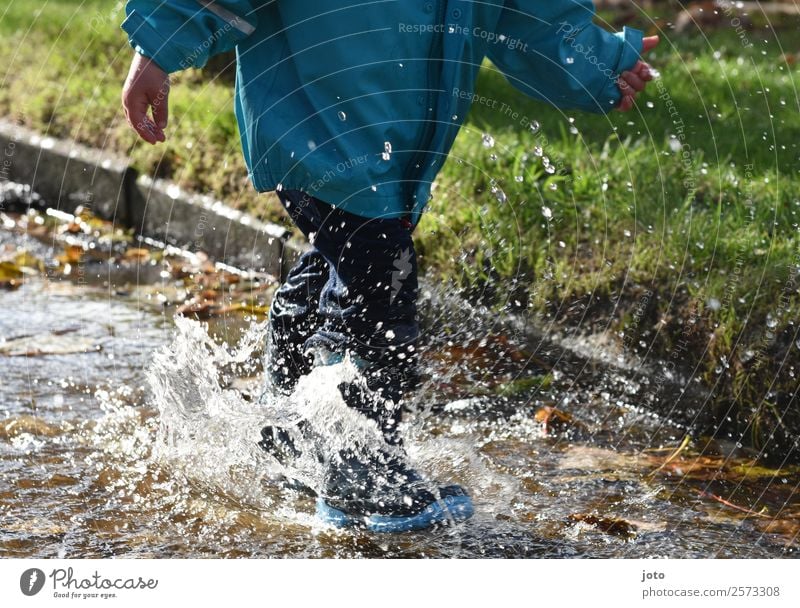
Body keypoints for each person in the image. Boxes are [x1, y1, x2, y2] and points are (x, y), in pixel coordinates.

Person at [120, 0, 658, 533]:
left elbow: (530, 14)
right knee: (378, 289)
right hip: (314, 118)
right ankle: (358, 472)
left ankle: (286, 427)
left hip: (393, 144)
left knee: (347, 263)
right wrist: (160, 45)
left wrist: (600, 65)